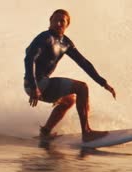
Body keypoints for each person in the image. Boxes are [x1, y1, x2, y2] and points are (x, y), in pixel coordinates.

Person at [24, 9, 116, 142]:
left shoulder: (65, 43)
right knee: (82, 87)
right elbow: (29, 59)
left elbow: (83, 63)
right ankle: (87, 132)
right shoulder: (44, 38)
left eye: (62, 21)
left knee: (69, 100)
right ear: (50, 20)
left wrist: (103, 83)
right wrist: (34, 87)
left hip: (42, 84)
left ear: (67, 25)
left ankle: (46, 131)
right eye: (56, 20)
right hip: (35, 84)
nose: (58, 23)